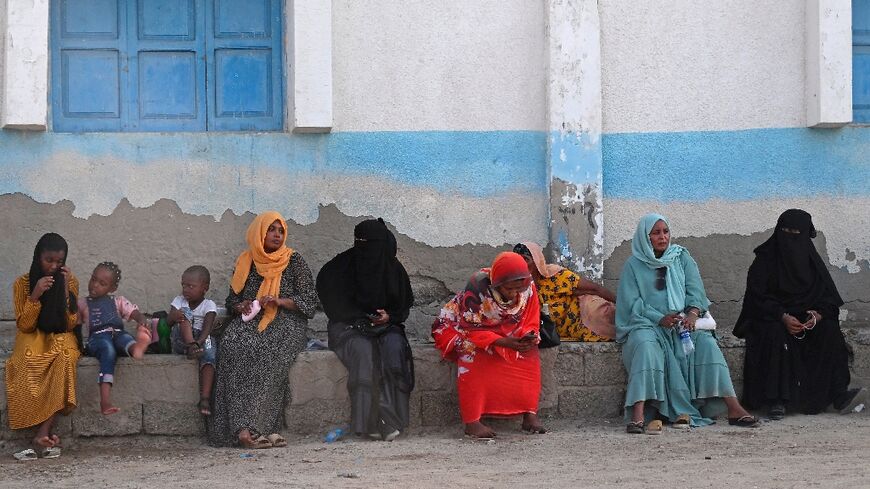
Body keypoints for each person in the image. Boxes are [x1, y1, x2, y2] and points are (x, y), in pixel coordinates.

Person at [616, 214, 757, 434]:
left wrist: (692, 314)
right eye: (656, 233)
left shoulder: (681, 257)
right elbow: (631, 303)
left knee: (707, 346)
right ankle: (638, 413)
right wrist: (659, 318)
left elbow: (696, 292)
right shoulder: (633, 265)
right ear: (645, 237)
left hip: (681, 322)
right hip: (647, 324)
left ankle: (734, 407)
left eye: (665, 231)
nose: (662, 237)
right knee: (645, 347)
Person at [734, 209, 866, 419]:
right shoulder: (765, 260)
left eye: (796, 232)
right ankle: (777, 400)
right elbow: (757, 299)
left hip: (805, 322)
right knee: (774, 333)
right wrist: (782, 316)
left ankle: (837, 394)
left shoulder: (812, 263)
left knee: (830, 329)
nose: (790, 238)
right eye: (785, 231)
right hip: (773, 318)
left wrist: (818, 316)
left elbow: (830, 301)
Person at [208, 211, 318, 449]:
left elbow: (309, 301)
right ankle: (238, 428)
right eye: (271, 230)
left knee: (268, 354)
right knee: (232, 344)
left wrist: (280, 301)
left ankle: (256, 428)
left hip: (287, 321)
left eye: (281, 231)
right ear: (260, 232)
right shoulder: (247, 260)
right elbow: (232, 300)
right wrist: (241, 305)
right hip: (252, 319)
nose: (277, 235)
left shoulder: (294, 260)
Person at [317, 218, 415, 441]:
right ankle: (368, 421)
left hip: (386, 327)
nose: (366, 248)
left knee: (393, 346)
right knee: (364, 351)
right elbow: (334, 305)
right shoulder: (339, 268)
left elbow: (403, 304)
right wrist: (360, 318)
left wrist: (389, 317)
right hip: (348, 326)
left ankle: (392, 419)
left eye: (372, 243)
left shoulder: (393, 270)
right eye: (361, 242)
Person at [432, 251, 545, 438]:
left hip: (509, 330)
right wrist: (504, 342)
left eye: (519, 289)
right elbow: (471, 327)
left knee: (529, 354)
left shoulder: (528, 286)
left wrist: (527, 337)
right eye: (509, 289)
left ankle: (529, 414)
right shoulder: (477, 286)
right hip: (468, 326)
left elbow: (531, 318)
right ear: (497, 284)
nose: (514, 294)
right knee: (470, 352)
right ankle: (472, 421)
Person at [7, 233, 80, 460]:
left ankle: (43, 433)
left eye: (59, 261)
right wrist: (36, 294)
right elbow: (25, 325)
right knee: (24, 362)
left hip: (61, 334)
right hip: (33, 336)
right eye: (48, 260)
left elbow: (70, 322)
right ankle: (35, 433)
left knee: (65, 358)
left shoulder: (70, 280)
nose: (53, 266)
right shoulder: (23, 283)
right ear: (38, 256)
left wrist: (66, 289)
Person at [78, 262, 153, 415]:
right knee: (108, 350)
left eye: (102, 283)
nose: (94, 285)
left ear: (112, 288)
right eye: (93, 279)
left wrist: (141, 319)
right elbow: (75, 325)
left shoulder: (117, 301)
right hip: (97, 339)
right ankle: (105, 401)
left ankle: (136, 348)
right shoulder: (83, 303)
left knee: (125, 338)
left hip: (117, 333)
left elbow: (133, 312)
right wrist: (79, 347)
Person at [513, 241, 616, 341]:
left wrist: (623, 306)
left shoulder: (556, 277)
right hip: (551, 332)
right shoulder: (515, 286)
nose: (522, 264)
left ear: (536, 261)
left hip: (581, 319)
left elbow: (595, 289)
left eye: (526, 259)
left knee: (602, 314)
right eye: (518, 260)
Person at [167, 265, 218, 416]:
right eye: (183, 285)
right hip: (181, 339)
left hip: (201, 339)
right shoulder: (179, 301)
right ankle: (191, 346)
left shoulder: (209, 305)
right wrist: (174, 316)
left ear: (205, 288)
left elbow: (207, 329)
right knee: (185, 313)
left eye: (191, 286)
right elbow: (168, 322)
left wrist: (200, 342)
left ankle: (205, 398)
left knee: (210, 353)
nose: (186, 289)